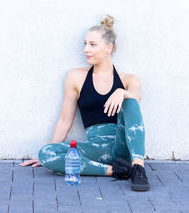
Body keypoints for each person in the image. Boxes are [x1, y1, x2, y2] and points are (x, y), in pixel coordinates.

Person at [20, 14, 150, 191]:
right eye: (85, 44)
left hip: (123, 145)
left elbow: (135, 103)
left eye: (93, 45)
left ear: (108, 48)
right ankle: (115, 171)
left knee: (130, 101)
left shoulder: (129, 79)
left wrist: (122, 92)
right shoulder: (76, 77)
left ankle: (138, 168)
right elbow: (65, 121)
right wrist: (53, 148)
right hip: (95, 148)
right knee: (46, 153)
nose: (86, 49)